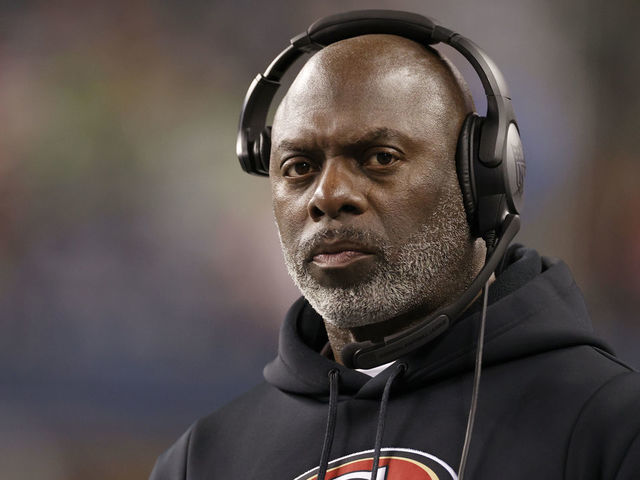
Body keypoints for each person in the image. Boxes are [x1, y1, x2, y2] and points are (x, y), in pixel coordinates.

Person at [149, 12, 640, 480]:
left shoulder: (611, 426)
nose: (328, 196)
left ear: (482, 180)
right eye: (299, 167)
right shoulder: (201, 462)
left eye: (380, 157)